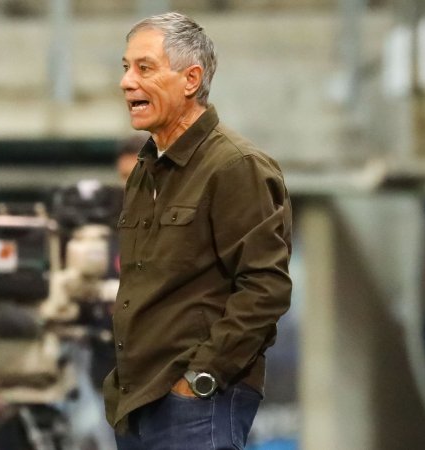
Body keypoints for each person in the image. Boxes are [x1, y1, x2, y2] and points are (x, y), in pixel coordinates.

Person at [103, 12, 293, 450]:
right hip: (138, 402)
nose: (127, 82)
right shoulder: (144, 170)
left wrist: (201, 378)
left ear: (191, 79)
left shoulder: (235, 166)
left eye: (144, 68)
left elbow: (265, 288)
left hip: (197, 403)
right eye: (126, 67)